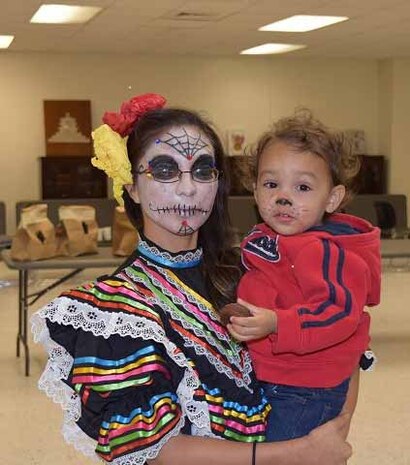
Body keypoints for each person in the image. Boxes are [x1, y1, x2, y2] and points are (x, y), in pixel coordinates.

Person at [31, 94, 352, 465]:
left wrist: (330, 438)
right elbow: (157, 450)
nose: (188, 188)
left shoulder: (256, 268)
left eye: (202, 171)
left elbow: (346, 347)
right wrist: (296, 453)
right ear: (131, 186)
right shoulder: (117, 310)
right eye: (165, 171)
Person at [226, 110, 381, 442]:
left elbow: (340, 313)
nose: (284, 196)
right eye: (271, 184)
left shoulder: (324, 251)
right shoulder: (267, 238)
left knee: (288, 455)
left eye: (303, 187)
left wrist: (278, 323)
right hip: (274, 373)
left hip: (307, 389)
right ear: (254, 191)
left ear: (332, 198)